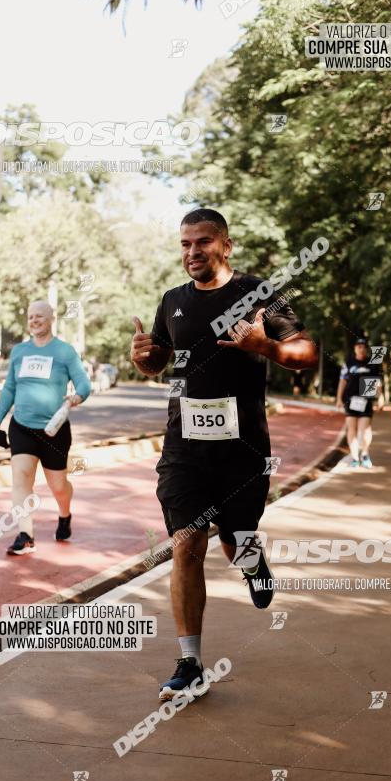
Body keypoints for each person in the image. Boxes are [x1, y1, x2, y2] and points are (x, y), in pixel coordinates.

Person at [131, 208, 318, 701]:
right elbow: (160, 361)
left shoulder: (259, 295)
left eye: (203, 242)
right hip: (183, 448)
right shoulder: (172, 301)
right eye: (186, 244)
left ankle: (254, 565)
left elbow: (307, 353)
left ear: (227, 245)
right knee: (187, 542)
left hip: (243, 450)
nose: (193, 252)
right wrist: (146, 358)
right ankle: (190, 663)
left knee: (238, 541)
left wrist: (265, 346)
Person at [0, 301, 91, 554]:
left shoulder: (64, 351)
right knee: (21, 478)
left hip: (54, 431)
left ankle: (64, 514)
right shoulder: (20, 352)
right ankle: (26, 535)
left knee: (58, 485)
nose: (34, 320)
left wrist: (77, 397)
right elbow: (10, 387)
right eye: (31, 317)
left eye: (39, 316)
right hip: (21, 426)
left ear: (51, 319)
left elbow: (84, 384)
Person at [336, 338, 382, 468]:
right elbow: (342, 381)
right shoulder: (349, 363)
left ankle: (365, 454)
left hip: (366, 400)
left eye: (363, 347)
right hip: (350, 400)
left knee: (364, 429)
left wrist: (380, 398)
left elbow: (378, 383)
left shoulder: (372, 364)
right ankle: (355, 457)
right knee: (351, 429)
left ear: (366, 349)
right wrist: (339, 398)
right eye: (359, 346)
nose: (361, 349)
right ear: (355, 348)